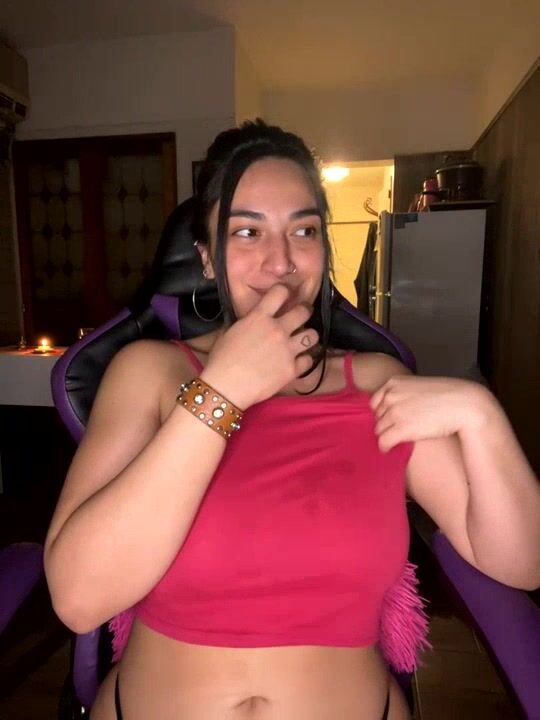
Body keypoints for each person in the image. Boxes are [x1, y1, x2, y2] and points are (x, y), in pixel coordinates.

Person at [44, 120, 540, 720]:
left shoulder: (378, 385)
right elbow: (79, 598)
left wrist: (482, 415)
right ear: (205, 258)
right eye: (247, 232)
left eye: (303, 230)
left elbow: (521, 561)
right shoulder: (148, 373)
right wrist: (221, 393)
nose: (280, 262)